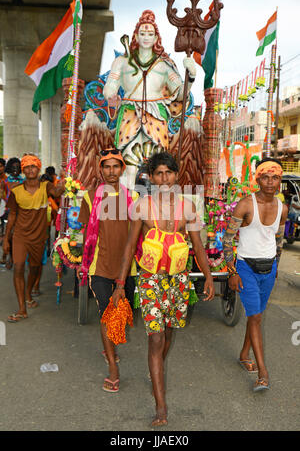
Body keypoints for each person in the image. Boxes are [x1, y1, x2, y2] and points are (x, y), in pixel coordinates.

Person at [112, 151, 214, 426]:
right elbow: (129, 247)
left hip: (179, 281)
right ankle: (161, 406)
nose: (164, 178)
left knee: (168, 334)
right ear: (151, 177)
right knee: (156, 339)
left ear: (176, 175)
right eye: (159, 173)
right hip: (150, 279)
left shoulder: (189, 208)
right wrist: (121, 284)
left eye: (169, 172)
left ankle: (154, 369)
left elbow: (198, 247)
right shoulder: (141, 208)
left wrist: (208, 277)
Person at [103, 9, 196, 188]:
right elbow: (110, 85)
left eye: (150, 34)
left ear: (156, 39)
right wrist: (110, 94)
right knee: (129, 166)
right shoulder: (122, 62)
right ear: (135, 36)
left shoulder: (163, 65)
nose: (146, 37)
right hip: (130, 113)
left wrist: (191, 76)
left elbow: (180, 93)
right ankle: (128, 207)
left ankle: (158, 208)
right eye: (142, 33)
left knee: (159, 166)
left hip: (156, 115)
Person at [222, 157, 288, 392]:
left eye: (275, 178)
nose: (270, 182)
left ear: (280, 181)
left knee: (255, 315)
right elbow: (227, 240)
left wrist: (276, 266)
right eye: (266, 177)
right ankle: (263, 372)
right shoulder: (245, 205)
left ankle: (243, 354)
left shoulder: (283, 207)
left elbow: (278, 239)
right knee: (257, 318)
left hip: (268, 269)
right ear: (258, 178)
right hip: (246, 268)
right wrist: (232, 272)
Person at [77, 148, 137, 393]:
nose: (111, 171)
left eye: (116, 166)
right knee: (106, 313)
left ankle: (110, 344)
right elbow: (86, 232)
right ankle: (113, 368)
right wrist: (82, 260)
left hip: (127, 267)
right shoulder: (90, 197)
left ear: (122, 169)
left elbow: (139, 234)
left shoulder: (133, 196)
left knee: (120, 315)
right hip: (99, 264)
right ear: (100, 169)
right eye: (107, 166)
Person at [3, 153, 65, 322]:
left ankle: (28, 293)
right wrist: (6, 238)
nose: (30, 170)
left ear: (38, 169)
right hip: (20, 236)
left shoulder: (46, 186)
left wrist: (66, 180)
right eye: (27, 167)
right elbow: (13, 215)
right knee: (18, 267)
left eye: (33, 166)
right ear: (24, 170)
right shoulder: (16, 190)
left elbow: (58, 192)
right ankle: (22, 308)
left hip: (39, 237)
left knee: (35, 268)